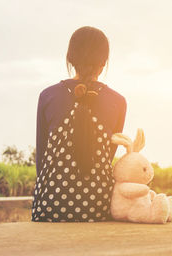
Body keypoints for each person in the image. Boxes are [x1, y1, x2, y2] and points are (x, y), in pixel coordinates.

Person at [31, 26, 127, 222]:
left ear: (70, 58)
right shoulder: (118, 102)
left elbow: (42, 158)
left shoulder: (48, 95)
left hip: (50, 204)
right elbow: (108, 157)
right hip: (98, 205)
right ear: (104, 62)